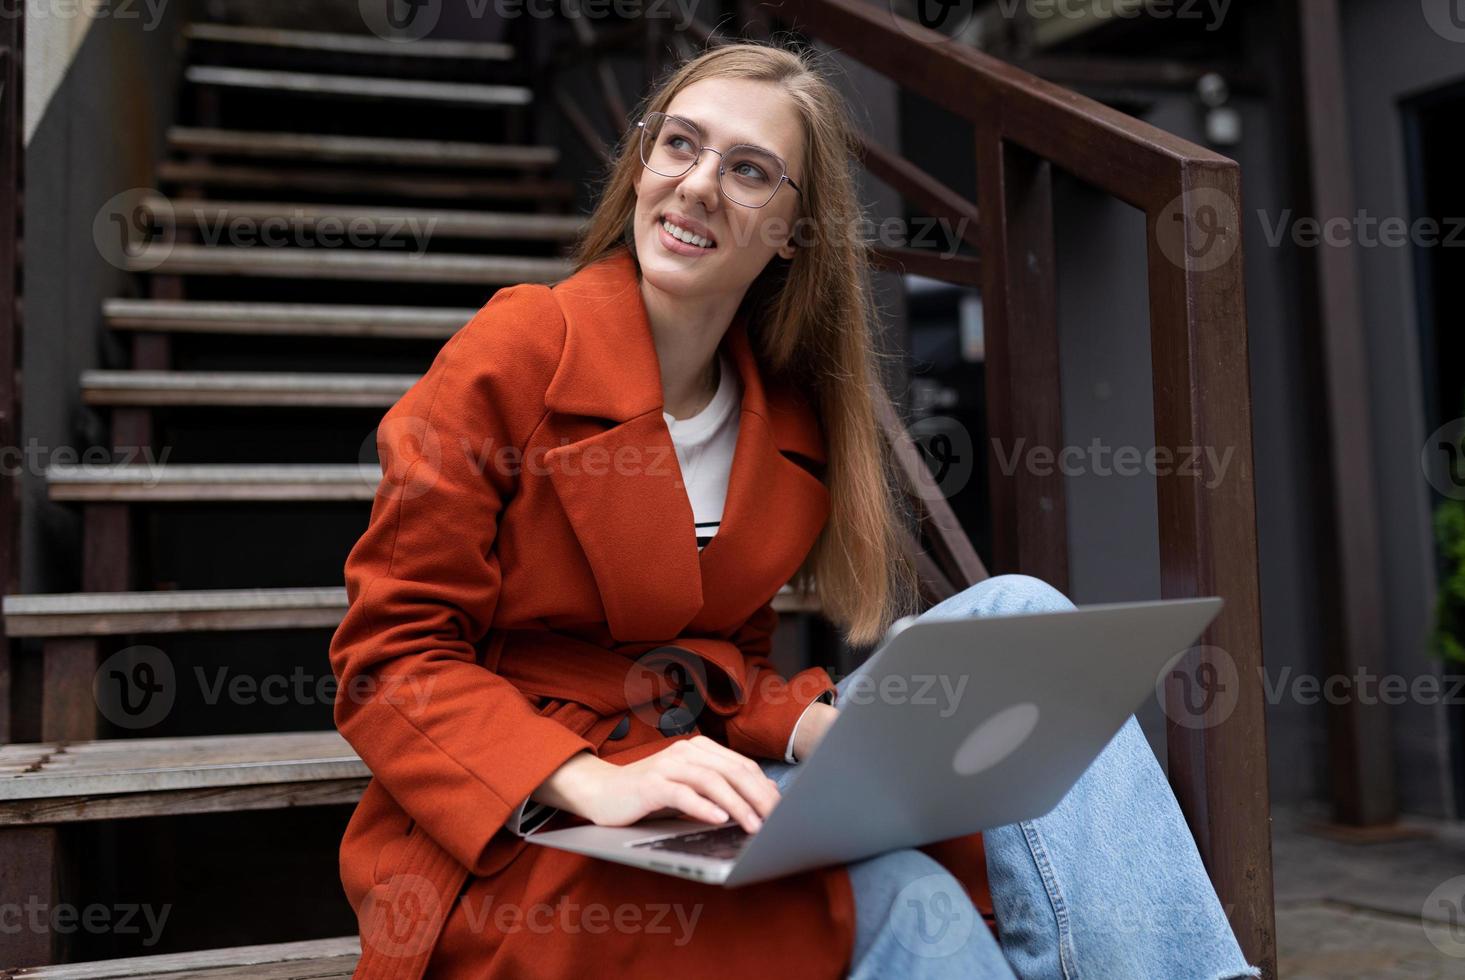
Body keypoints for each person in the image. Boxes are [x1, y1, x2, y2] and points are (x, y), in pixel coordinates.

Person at [328, 40, 1260, 979]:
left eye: (747, 171)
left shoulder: (785, 417)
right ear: (641, 163)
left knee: (1023, 614)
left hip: (696, 788)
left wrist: (827, 731)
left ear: (790, 231)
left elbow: (728, 669)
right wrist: (593, 782)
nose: (696, 187)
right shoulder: (518, 349)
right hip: (524, 825)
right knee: (912, 898)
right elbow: (387, 661)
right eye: (679, 145)